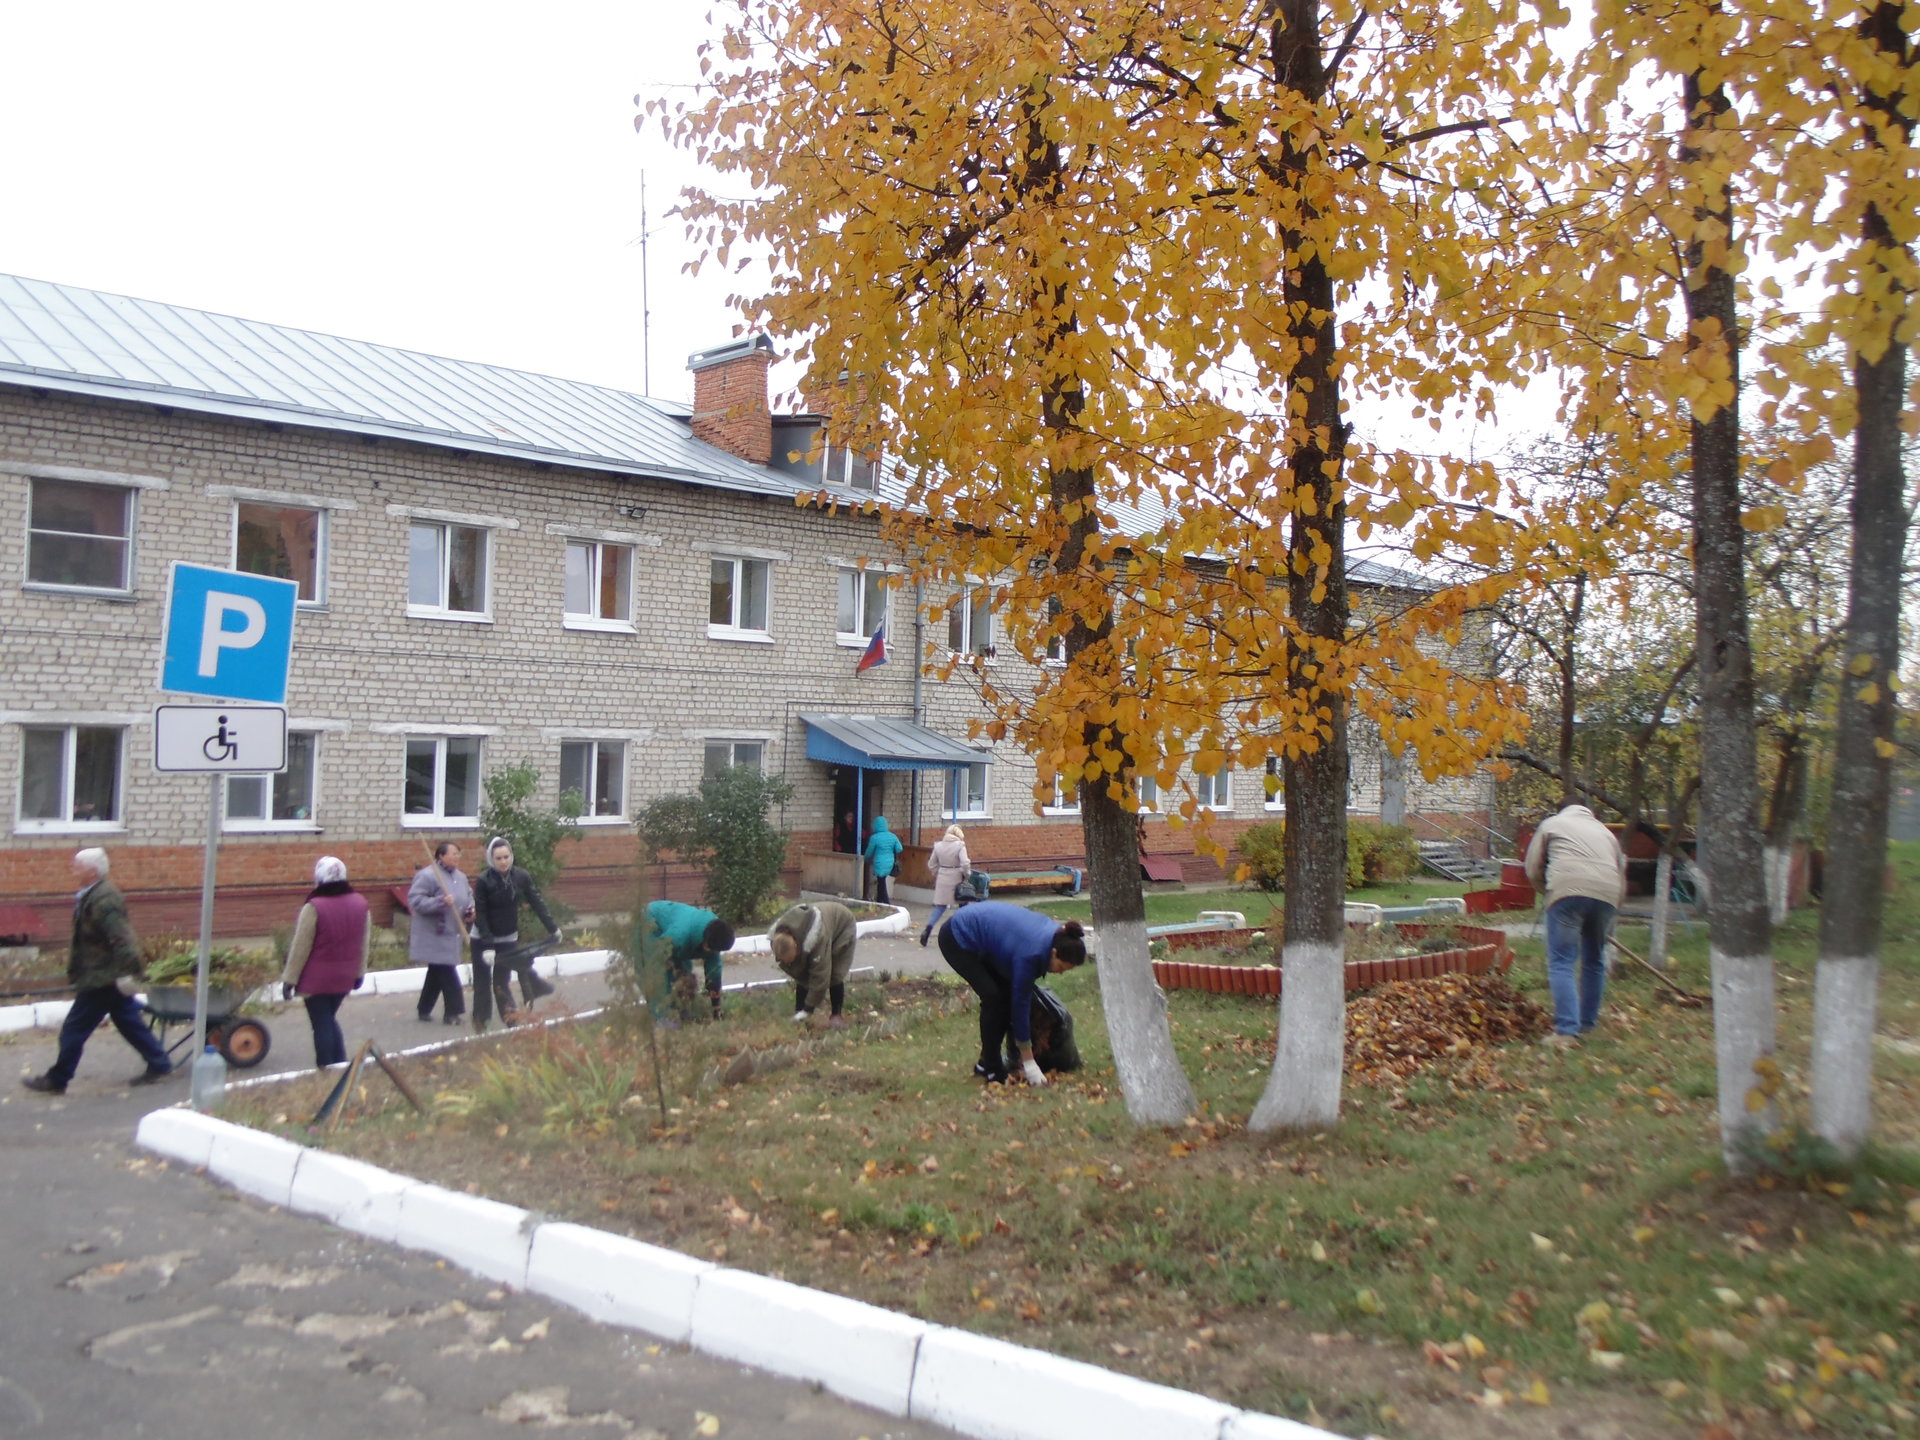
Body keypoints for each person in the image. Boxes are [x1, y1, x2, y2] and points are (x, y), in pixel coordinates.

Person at [24, 848, 176, 1094]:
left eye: (78, 867)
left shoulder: (104, 900)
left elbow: (122, 937)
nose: (73, 871)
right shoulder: (92, 895)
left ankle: (57, 1080)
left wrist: (128, 972)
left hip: (103, 978)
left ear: (92, 872)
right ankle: (160, 1064)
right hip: (103, 974)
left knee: (74, 1029)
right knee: (127, 1020)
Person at [937, 900, 1088, 1086]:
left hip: (990, 938)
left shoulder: (1056, 937)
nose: (1061, 972)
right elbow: (1020, 1007)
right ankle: (992, 1069)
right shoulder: (1031, 955)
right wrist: (1029, 1062)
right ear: (1054, 953)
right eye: (1061, 967)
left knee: (1004, 997)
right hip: (958, 936)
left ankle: (986, 1062)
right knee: (993, 998)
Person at [1524, 800, 1627, 1046]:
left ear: (1563, 811)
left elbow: (1533, 868)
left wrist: (1550, 892)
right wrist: (1608, 908)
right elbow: (1620, 873)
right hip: (1607, 896)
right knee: (1595, 960)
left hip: (1566, 891)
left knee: (1562, 961)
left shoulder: (1552, 824)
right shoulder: (1606, 833)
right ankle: (1587, 1023)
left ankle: (1567, 1031)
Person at [279, 855, 370, 1068]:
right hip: (345, 976)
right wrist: (360, 973)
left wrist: (289, 979)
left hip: (316, 979)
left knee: (321, 1023)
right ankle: (340, 1064)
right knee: (328, 1019)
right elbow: (363, 942)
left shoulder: (314, 906)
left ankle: (325, 1067)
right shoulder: (361, 904)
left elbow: (301, 946)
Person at [470, 836, 559, 1029]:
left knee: (501, 982)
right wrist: (488, 946)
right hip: (483, 939)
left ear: (511, 856)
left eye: (506, 857)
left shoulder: (521, 876)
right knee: (482, 982)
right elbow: (481, 914)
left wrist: (553, 928)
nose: (503, 862)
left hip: (507, 938)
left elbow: (536, 902)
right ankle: (481, 1022)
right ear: (491, 859)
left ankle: (511, 1021)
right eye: (498, 858)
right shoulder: (484, 881)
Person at [637, 900, 735, 1022]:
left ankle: (681, 1012)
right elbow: (656, 959)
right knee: (659, 976)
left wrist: (716, 1008)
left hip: (679, 930)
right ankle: (661, 1018)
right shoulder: (679, 936)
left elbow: (714, 971)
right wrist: (674, 970)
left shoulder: (716, 933)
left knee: (686, 976)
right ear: (705, 942)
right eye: (711, 949)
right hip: (649, 923)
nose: (712, 953)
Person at [409, 841, 473, 1025]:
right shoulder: (428, 876)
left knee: (437, 971)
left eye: (459, 854)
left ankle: (424, 1009)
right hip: (434, 933)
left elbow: (468, 896)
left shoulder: (460, 877)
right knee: (447, 971)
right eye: (453, 853)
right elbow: (415, 900)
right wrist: (439, 902)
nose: (457, 857)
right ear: (441, 856)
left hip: (452, 932)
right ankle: (453, 1012)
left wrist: (470, 909)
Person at [768, 900, 857, 1028]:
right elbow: (800, 975)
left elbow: (820, 977)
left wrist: (808, 1009)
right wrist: (800, 1011)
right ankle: (799, 1013)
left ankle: (836, 1015)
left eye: (790, 959)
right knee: (803, 971)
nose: (788, 963)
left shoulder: (817, 939)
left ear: (796, 945)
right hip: (824, 922)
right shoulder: (778, 940)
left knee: (834, 973)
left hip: (842, 926)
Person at [919, 824, 971, 946]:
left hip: (942, 877)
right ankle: (960, 934)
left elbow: (931, 864)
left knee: (940, 907)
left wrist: (938, 872)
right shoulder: (960, 846)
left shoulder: (938, 846)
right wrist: (966, 875)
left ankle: (927, 930)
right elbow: (965, 863)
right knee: (963, 905)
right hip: (956, 877)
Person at [863, 814, 904, 905]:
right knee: (881, 882)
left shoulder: (874, 838)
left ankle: (886, 903)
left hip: (879, 863)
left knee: (881, 882)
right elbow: (899, 848)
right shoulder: (892, 836)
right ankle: (879, 902)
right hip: (890, 862)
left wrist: (864, 859)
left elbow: (869, 852)